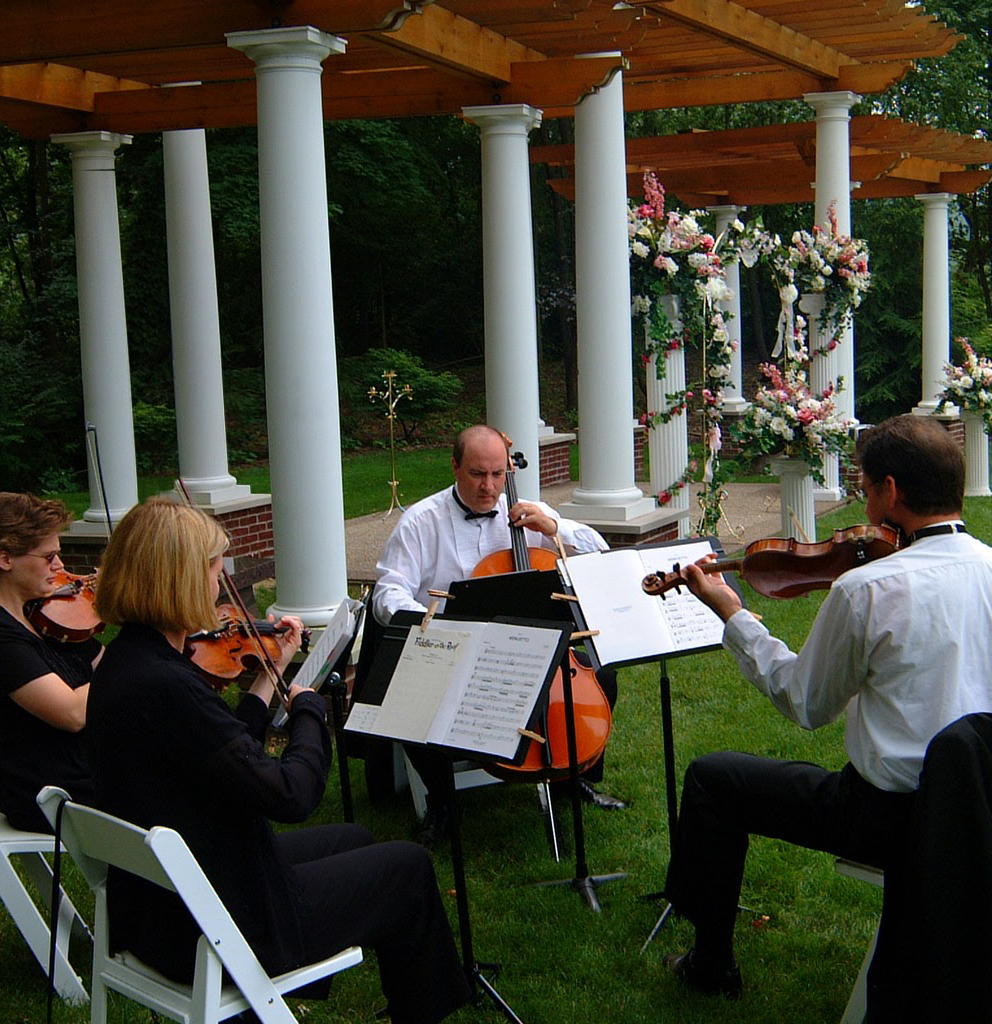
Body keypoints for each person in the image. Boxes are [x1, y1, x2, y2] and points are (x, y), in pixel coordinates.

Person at [87, 498, 471, 1024]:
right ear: (179, 580)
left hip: (161, 904)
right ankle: (420, 1010)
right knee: (408, 868)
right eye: (213, 570)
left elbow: (218, 754)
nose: (219, 583)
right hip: (212, 925)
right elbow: (293, 794)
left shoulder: (126, 662)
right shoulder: (167, 686)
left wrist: (272, 679)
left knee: (355, 840)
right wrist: (309, 709)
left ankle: (384, 985)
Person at [661, 414, 992, 1002]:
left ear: (892, 490)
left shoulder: (867, 589)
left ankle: (711, 964)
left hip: (894, 817)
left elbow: (805, 701)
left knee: (713, 780)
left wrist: (731, 615)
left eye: (866, 490)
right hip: (983, 806)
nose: (865, 506)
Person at [373, 424, 625, 847]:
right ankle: (442, 801)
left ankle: (571, 775)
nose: (489, 487)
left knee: (603, 676)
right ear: (455, 467)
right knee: (413, 698)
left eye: (497, 474)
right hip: (454, 650)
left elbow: (599, 554)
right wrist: (439, 622)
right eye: (477, 474)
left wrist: (554, 528)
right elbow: (388, 592)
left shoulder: (525, 511)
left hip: (526, 652)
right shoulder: (421, 521)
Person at [0, 492, 100, 834]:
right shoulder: (4, 639)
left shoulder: (43, 617)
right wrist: (131, 669)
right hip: (51, 794)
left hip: (86, 773)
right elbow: (71, 713)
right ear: (5, 559)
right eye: (49, 557)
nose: (61, 567)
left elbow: (105, 661)